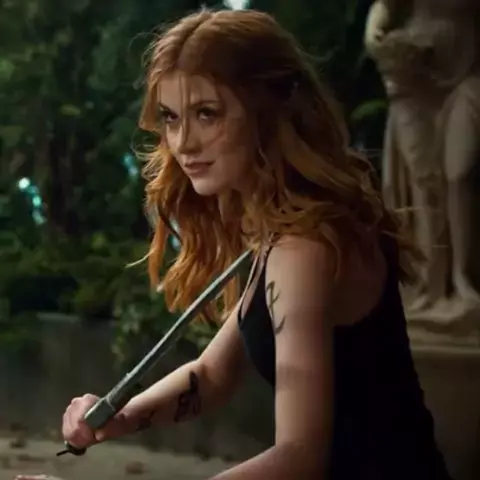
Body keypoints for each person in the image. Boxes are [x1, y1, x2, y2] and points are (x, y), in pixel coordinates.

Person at [15, 8, 453, 480]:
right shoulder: (283, 229)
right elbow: (211, 376)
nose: (183, 142)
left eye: (207, 114)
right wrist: (116, 416)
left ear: (269, 111)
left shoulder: (303, 248)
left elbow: (298, 456)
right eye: (171, 118)